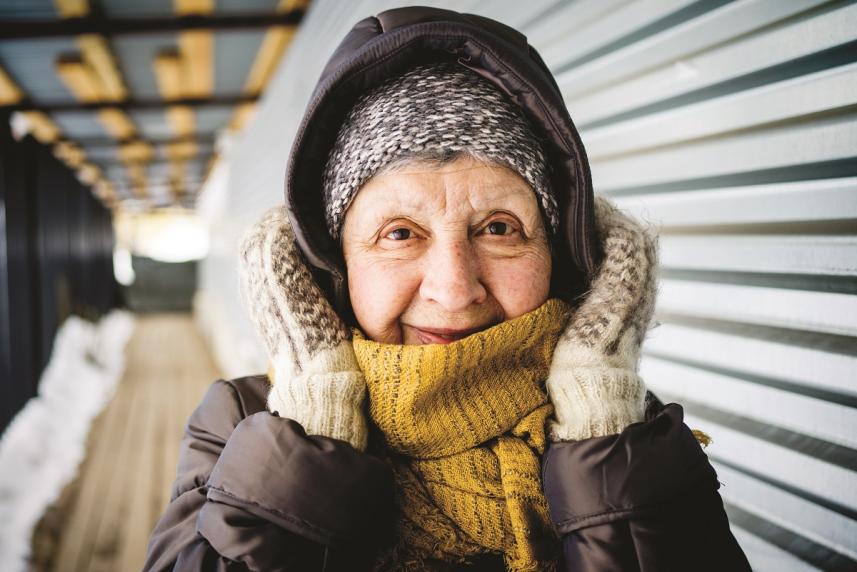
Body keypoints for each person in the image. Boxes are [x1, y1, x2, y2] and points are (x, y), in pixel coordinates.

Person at [143, 6, 751, 571]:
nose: (455, 289)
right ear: (338, 265)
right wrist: (314, 436)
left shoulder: (626, 435)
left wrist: (602, 436)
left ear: (558, 253)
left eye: (497, 228)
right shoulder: (244, 423)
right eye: (400, 233)